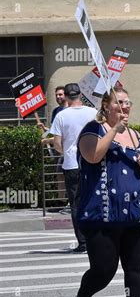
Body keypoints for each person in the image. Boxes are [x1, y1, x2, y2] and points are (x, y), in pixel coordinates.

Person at [65, 86, 140, 297]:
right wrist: (114, 131)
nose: (125, 106)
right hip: (102, 215)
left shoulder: (136, 135)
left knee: (135, 268)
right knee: (103, 270)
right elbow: (93, 156)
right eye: (119, 102)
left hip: (136, 213)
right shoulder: (92, 130)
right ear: (106, 106)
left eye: (128, 102)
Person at [50, 83, 97, 252]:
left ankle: (83, 242)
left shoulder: (61, 116)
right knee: (94, 200)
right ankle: (96, 238)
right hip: (92, 161)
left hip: (71, 164)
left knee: (76, 204)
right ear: (80, 95)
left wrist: (69, 151)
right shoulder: (93, 113)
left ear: (67, 97)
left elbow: (56, 145)